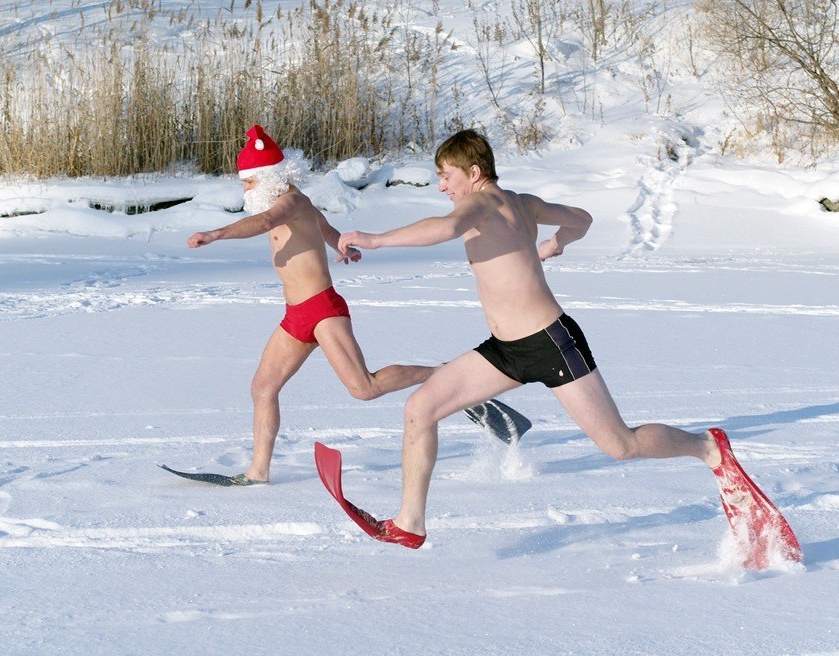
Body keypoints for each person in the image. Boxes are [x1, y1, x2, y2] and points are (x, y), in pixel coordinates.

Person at [336, 129, 795, 559]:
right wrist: (556, 242)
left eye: (446, 176)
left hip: (551, 343)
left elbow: (446, 228)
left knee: (620, 445)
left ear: (473, 173)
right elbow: (582, 219)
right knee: (421, 408)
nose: (442, 187)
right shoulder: (522, 204)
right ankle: (410, 523)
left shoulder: (482, 202)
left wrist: (375, 239)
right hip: (506, 350)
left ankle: (707, 447)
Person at [185, 125, 437, 485]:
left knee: (364, 388)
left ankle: (443, 375)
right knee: (262, 388)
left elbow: (265, 221)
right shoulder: (293, 205)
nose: (245, 190)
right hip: (296, 317)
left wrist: (216, 234)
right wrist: (340, 247)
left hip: (323, 310)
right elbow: (324, 226)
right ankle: (258, 472)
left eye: (249, 182)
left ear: (270, 177)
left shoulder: (290, 202)